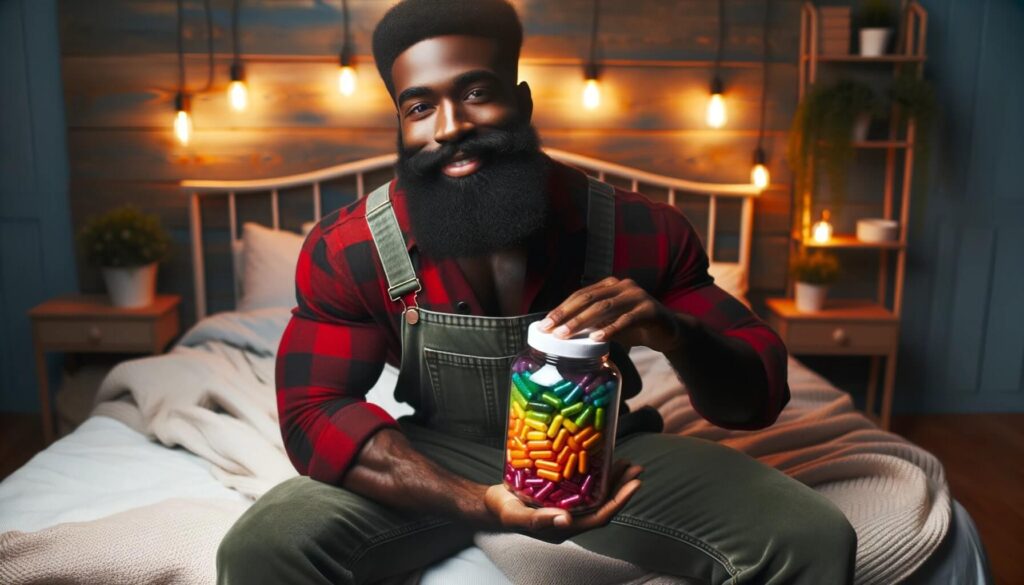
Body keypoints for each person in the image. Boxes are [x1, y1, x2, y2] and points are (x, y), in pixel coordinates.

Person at [217, 0, 856, 583]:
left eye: (475, 92)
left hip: (603, 453)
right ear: (401, 124)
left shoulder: (640, 229)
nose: (450, 126)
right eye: (420, 107)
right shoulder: (348, 247)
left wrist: (675, 332)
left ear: (520, 102)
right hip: (433, 457)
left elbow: (759, 394)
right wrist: (474, 501)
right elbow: (313, 408)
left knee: (812, 536)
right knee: (262, 546)